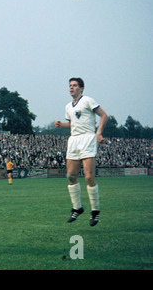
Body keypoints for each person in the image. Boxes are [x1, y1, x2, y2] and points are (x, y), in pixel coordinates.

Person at [55, 77, 107, 226]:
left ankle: (95, 211)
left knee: (89, 176)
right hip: (74, 140)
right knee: (71, 175)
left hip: (88, 139)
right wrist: (61, 124)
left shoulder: (88, 101)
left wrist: (98, 133)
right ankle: (77, 208)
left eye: (75, 85)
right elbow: (72, 124)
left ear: (81, 88)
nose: (71, 88)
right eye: (70, 85)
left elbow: (104, 115)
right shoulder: (68, 106)